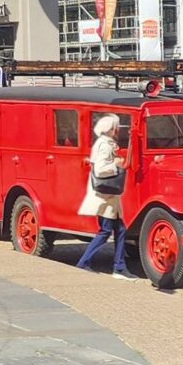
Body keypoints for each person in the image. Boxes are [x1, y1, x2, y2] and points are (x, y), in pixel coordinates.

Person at [72, 113, 133, 277]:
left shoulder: (104, 143)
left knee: (119, 229)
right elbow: (100, 170)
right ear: (111, 129)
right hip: (105, 195)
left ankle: (118, 266)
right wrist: (116, 164)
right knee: (107, 230)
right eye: (116, 127)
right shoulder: (105, 145)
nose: (118, 129)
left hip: (108, 196)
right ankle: (86, 262)